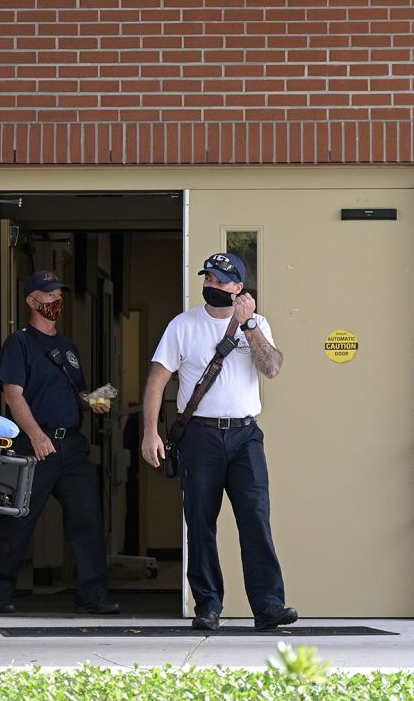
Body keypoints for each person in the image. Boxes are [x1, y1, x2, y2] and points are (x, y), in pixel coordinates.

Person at [140, 252, 297, 631]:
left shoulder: (257, 326)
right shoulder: (183, 325)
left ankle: (268, 606)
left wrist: (250, 327)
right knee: (200, 522)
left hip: (245, 435)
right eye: (207, 278)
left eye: (220, 281)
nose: (211, 285)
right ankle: (208, 606)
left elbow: (272, 368)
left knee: (255, 520)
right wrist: (150, 433)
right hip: (200, 436)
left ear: (239, 289)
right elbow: (158, 379)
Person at [0, 270, 120, 615]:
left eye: (59, 294)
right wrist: (36, 436)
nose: (56, 301)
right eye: (49, 295)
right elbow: (13, 395)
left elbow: (76, 393)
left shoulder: (68, 347)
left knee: (87, 520)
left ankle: (92, 596)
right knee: (16, 520)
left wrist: (94, 401)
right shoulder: (20, 343)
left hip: (71, 446)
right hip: (33, 444)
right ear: (32, 301)